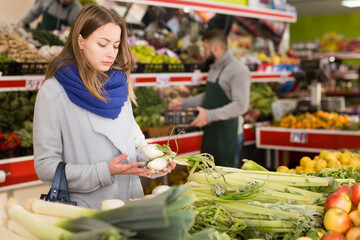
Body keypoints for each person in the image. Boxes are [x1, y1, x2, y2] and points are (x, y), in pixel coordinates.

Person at [33, 4, 176, 209]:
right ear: (80, 41)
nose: (111, 53)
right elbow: (46, 167)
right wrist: (104, 171)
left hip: (130, 206)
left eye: (116, 45)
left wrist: (155, 163)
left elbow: (134, 144)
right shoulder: (53, 93)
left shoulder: (119, 85)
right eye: (102, 44)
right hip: (87, 213)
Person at [169, 28, 250, 167]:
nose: (204, 52)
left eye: (205, 48)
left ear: (215, 48)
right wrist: (185, 103)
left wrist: (209, 115)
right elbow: (210, 95)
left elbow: (241, 106)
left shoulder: (238, 70)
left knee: (227, 182)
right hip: (212, 132)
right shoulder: (214, 68)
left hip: (228, 135)